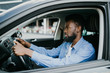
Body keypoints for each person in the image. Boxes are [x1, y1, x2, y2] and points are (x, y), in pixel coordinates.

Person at [12, 14, 95, 68]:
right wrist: (28, 45)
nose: (65, 31)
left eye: (67, 27)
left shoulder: (87, 49)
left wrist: (27, 51)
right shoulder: (67, 44)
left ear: (78, 28)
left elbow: (63, 65)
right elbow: (49, 53)